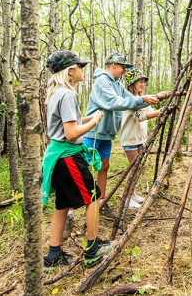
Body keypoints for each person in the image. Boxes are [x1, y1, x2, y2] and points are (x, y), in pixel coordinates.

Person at [41, 50, 112, 270]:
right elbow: (71, 133)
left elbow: (70, 121)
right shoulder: (68, 95)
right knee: (93, 197)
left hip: (57, 156)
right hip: (68, 156)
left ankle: (53, 255)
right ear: (70, 71)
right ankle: (92, 249)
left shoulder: (57, 93)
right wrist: (96, 121)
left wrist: (90, 117)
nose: (82, 70)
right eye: (79, 67)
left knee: (62, 205)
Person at [81, 52, 158, 220]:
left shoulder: (116, 84)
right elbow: (114, 103)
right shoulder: (102, 81)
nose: (124, 70)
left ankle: (101, 202)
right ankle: (71, 211)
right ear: (113, 65)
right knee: (82, 168)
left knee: (104, 166)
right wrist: (141, 100)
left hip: (106, 133)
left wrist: (151, 99)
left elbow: (130, 98)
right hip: (93, 131)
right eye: (123, 66)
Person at [120, 68, 168, 209]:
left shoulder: (142, 98)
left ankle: (132, 193)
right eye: (139, 81)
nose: (142, 84)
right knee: (133, 168)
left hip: (139, 137)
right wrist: (159, 112)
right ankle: (127, 199)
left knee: (138, 167)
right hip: (130, 138)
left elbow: (150, 111)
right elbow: (139, 116)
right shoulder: (128, 99)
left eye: (143, 81)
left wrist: (160, 109)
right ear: (132, 83)